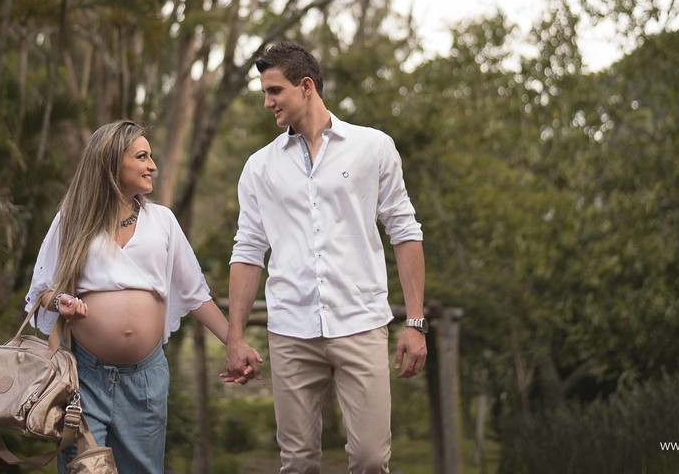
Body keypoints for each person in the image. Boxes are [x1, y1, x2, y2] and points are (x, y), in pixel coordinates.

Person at [224, 42, 428, 474]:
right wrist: (235, 337)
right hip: (291, 331)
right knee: (297, 463)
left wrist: (415, 322)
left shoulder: (373, 148)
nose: (267, 102)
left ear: (306, 86)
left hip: (361, 321)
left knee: (372, 460)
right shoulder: (259, 168)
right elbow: (247, 250)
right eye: (264, 92)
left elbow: (405, 231)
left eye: (274, 91)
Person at [25, 119, 260, 474]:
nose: (153, 165)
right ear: (112, 162)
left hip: (145, 379)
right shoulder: (72, 219)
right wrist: (61, 302)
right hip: (83, 377)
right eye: (142, 156)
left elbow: (195, 293)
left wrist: (235, 342)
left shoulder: (162, 221)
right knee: (81, 469)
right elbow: (42, 289)